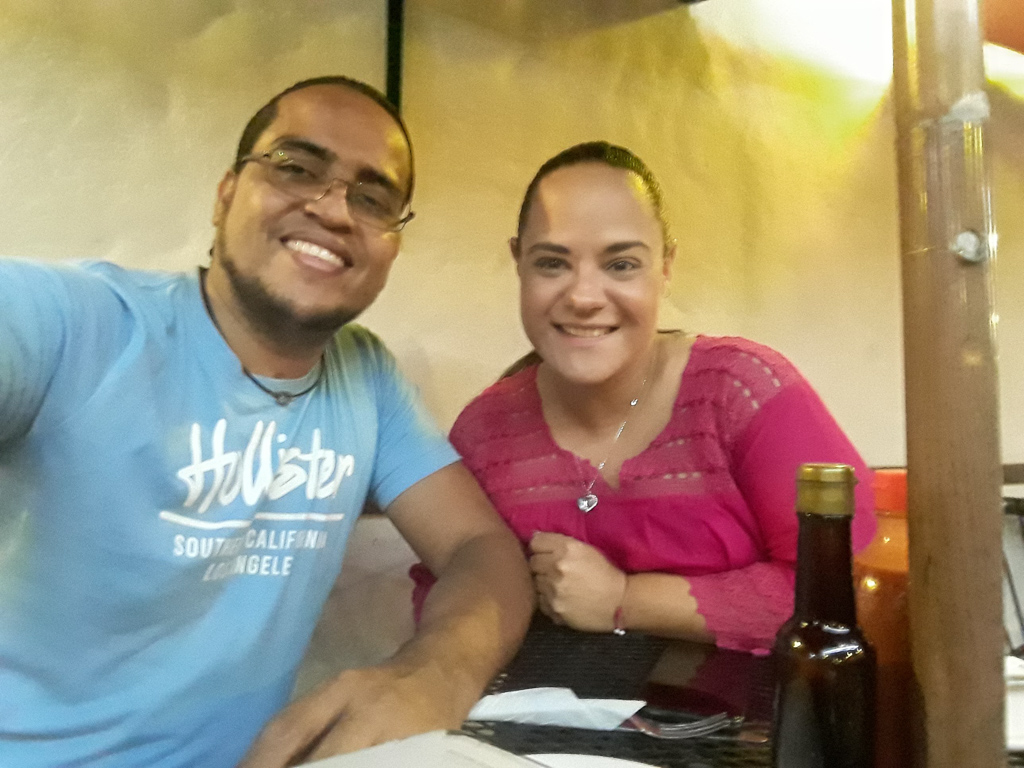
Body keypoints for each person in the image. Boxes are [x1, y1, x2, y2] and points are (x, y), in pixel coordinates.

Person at [0, 76, 533, 768]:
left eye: (373, 198)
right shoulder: (78, 325)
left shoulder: (365, 377)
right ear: (226, 194)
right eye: (296, 167)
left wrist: (433, 674)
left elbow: (479, 548)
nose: (333, 209)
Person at [412, 141, 874, 654]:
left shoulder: (740, 391)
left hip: (755, 705)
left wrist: (625, 600)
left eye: (622, 265)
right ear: (518, 262)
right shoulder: (484, 433)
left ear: (666, 266)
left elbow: (851, 589)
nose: (583, 297)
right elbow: (446, 596)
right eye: (552, 264)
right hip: (544, 707)